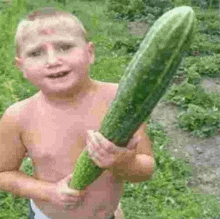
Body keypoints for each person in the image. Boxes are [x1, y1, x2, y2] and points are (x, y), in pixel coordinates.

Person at [0, 7, 155, 219]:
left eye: (65, 47)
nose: (53, 60)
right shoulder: (18, 117)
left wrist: (123, 162)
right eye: (36, 53)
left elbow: (146, 167)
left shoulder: (120, 99)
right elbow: (3, 173)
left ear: (89, 53)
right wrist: (50, 192)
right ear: (21, 66)